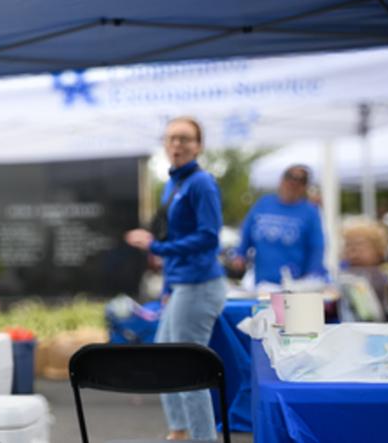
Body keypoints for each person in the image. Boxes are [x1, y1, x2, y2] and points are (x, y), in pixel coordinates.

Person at [124, 116, 226, 441]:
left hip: (200, 285)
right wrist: (167, 285)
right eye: (171, 138)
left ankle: (202, 438)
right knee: (165, 359)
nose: (177, 144)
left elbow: (210, 238)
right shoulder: (174, 183)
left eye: (184, 138)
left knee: (186, 368)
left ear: (198, 146)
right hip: (181, 285)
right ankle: (179, 431)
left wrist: (157, 246)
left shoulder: (201, 183)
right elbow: (175, 239)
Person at [231, 165, 328, 285]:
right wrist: (240, 255)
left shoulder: (310, 212)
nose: (293, 184)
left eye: (301, 181)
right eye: (290, 178)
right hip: (263, 283)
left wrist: (309, 279)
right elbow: (246, 233)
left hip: (294, 284)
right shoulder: (264, 203)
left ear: (305, 187)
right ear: (281, 180)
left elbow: (317, 248)